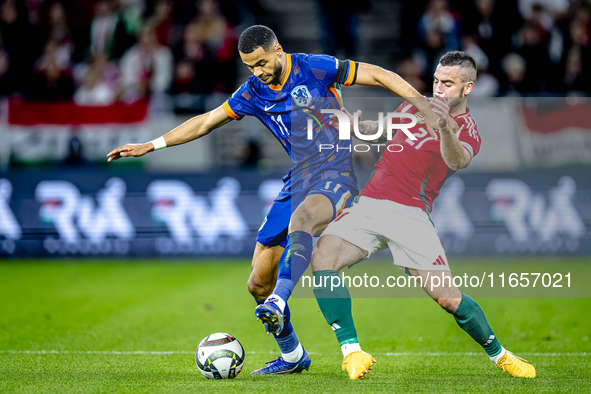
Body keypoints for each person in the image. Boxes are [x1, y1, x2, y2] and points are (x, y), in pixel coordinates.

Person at [107, 25, 439, 375]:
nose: (258, 72)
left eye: (262, 63)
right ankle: (293, 356)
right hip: (296, 180)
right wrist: (151, 145)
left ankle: (282, 300)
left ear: (278, 49)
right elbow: (206, 121)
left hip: (335, 174)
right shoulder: (252, 91)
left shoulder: (315, 67)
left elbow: (379, 74)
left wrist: (424, 107)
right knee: (257, 283)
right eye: (250, 66)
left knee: (304, 223)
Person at [310, 51, 537, 379]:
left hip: (411, 214)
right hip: (370, 203)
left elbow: (457, 160)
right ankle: (352, 352)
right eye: (435, 81)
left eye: (448, 83)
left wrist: (444, 126)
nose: (439, 89)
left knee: (448, 299)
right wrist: (354, 125)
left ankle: (500, 355)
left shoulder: (468, 128)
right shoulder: (411, 106)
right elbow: (383, 130)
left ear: (467, 88)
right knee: (322, 258)